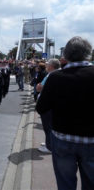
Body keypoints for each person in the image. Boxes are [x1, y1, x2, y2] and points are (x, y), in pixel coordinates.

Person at [36, 36, 94, 190]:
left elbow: (41, 108)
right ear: (89, 53)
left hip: (63, 139)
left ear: (66, 55)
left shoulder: (55, 77)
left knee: (65, 183)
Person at [36, 58, 60, 153]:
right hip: (51, 105)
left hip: (48, 106)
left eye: (47, 64)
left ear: (51, 66)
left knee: (48, 127)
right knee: (49, 127)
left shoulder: (52, 75)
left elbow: (40, 88)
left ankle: (49, 147)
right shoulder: (55, 74)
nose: (46, 66)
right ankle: (48, 143)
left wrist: (39, 86)